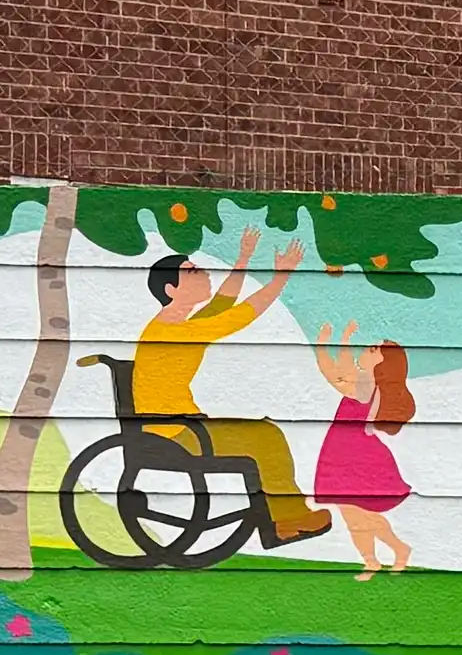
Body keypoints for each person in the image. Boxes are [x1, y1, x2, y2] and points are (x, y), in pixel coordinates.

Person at [132, 232, 328, 550]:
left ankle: (283, 520)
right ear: (171, 290)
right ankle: (287, 520)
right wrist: (281, 277)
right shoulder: (176, 331)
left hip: (182, 426)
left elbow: (221, 306)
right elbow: (237, 316)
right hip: (176, 434)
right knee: (265, 437)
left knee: (261, 434)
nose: (204, 273)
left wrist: (243, 258)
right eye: (192, 272)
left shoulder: (175, 323)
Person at [303, 321, 419, 575]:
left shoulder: (367, 387)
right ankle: (375, 560)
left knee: (356, 515)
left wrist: (326, 343)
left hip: (356, 455)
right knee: (354, 517)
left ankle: (394, 551)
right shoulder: (365, 381)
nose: (368, 349)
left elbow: (333, 373)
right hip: (345, 452)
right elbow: (342, 368)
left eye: (374, 349)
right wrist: (342, 338)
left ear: (382, 363)